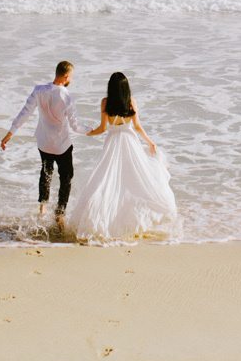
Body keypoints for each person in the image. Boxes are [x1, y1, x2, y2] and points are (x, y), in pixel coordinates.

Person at [69, 71, 180, 242]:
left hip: (113, 143)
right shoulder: (131, 102)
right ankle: (137, 219)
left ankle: (107, 220)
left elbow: (102, 128)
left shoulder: (105, 102)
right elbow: (137, 127)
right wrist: (150, 143)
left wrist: (89, 133)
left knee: (108, 181)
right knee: (136, 179)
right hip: (130, 141)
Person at [0, 60, 91, 227]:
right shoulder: (68, 97)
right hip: (61, 145)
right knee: (66, 177)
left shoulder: (39, 90)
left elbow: (25, 112)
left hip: (43, 142)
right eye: (71, 76)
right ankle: (59, 213)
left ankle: (43, 207)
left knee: (46, 172)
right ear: (65, 77)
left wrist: (10, 132)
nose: (71, 79)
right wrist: (92, 130)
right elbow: (75, 125)